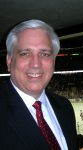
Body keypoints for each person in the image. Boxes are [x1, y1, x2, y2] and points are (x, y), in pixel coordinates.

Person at [0, 19, 78, 150]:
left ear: (53, 61)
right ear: (9, 61)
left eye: (45, 54)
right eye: (25, 53)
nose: (36, 64)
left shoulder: (65, 107)